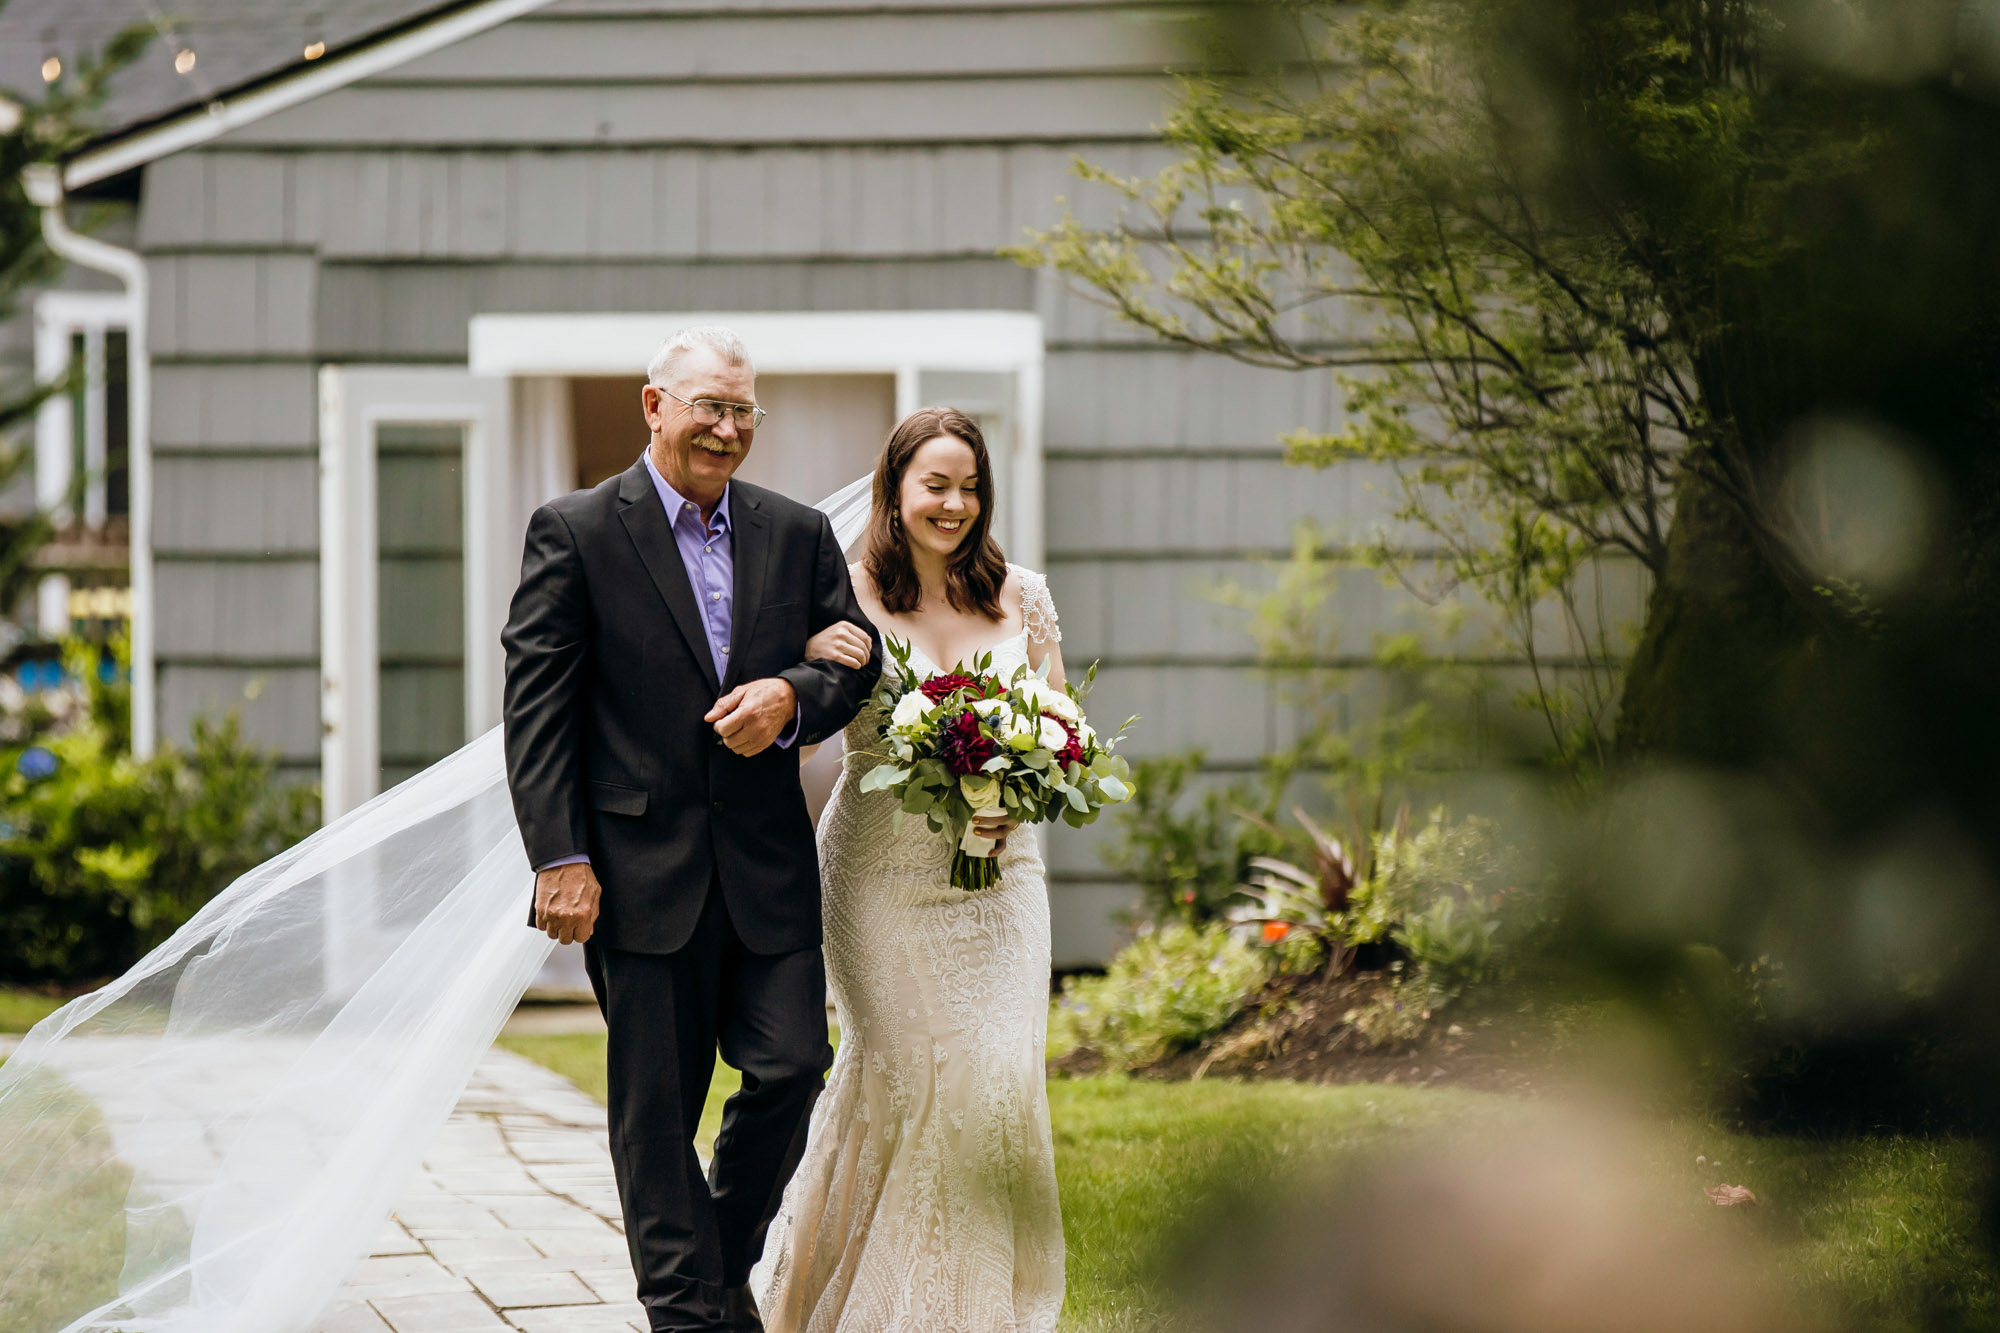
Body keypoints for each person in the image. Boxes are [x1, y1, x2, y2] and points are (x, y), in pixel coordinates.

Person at [502, 326, 882, 1333]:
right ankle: (688, 1313)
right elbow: (538, 707)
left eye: (742, 411)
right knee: (655, 1114)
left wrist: (791, 698)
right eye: (707, 406)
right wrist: (560, 855)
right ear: (653, 407)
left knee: (792, 1065)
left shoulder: (796, 534)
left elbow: (854, 658)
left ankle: (713, 1265)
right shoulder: (575, 530)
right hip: (634, 875)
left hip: (765, 872)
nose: (724, 428)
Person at [749, 407, 1067, 1333]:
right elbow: (799, 708)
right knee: (905, 1079)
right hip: (880, 874)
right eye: (936, 484)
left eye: (970, 486)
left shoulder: (1025, 595)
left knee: (995, 1080)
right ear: (894, 488)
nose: (955, 504)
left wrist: (1029, 787)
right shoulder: (837, 596)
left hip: (1005, 882)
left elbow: (1059, 732)